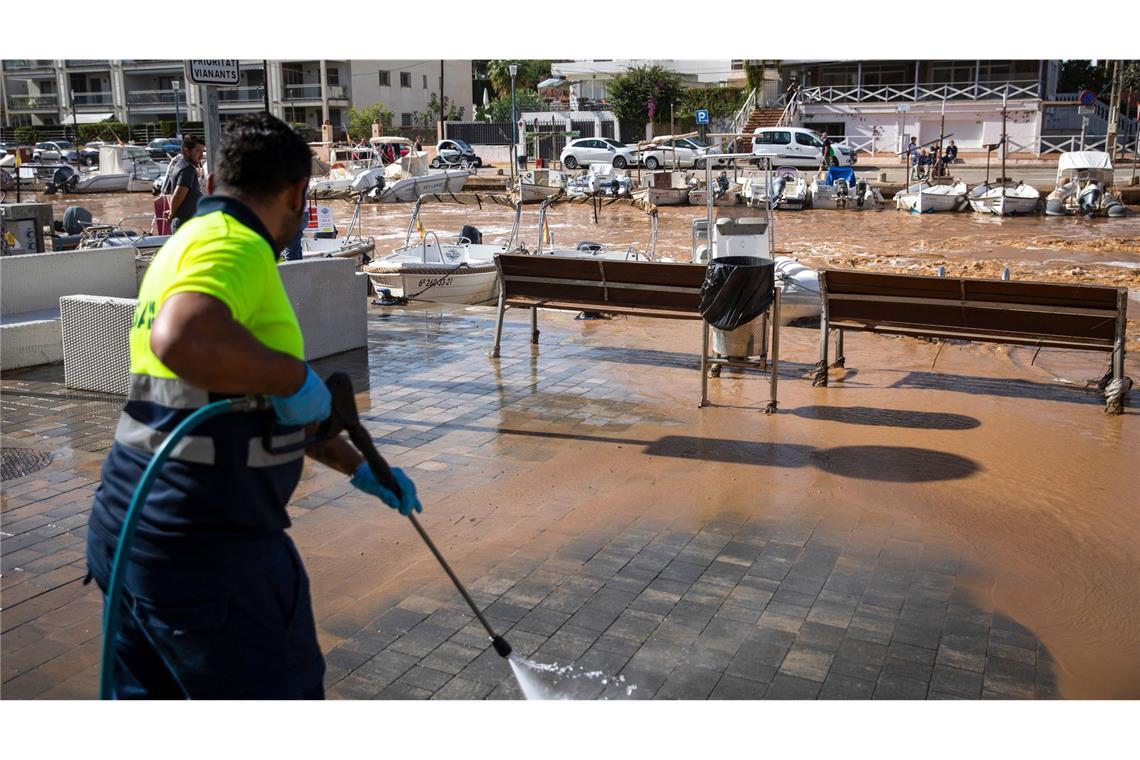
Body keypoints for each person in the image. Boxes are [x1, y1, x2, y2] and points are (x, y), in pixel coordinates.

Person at [85, 113, 422, 699]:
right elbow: (183, 339)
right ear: (297, 193)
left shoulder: (182, 244)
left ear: (215, 178)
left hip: (135, 532)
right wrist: (295, 375)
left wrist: (358, 466)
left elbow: (242, 403)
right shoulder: (235, 245)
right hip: (208, 551)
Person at [162, 135, 205, 232]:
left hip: (184, 221)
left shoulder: (180, 165)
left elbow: (176, 195)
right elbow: (178, 194)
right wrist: (172, 213)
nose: (201, 155)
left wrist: (173, 211)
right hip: (185, 224)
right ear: (186, 150)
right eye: (198, 151)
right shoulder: (187, 170)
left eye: (202, 151)